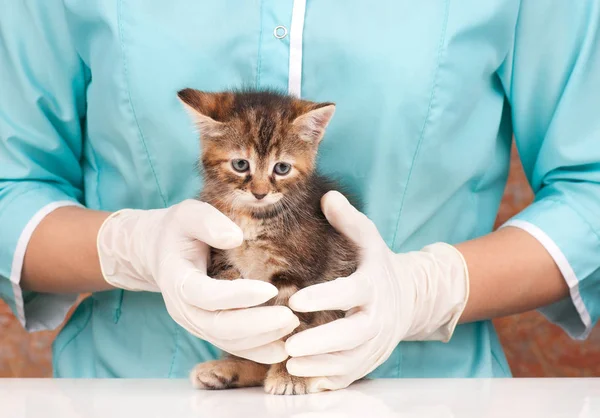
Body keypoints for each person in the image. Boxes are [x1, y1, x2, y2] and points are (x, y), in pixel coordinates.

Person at [1, 0, 598, 387]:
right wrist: (130, 246)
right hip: (129, 391)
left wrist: (427, 289)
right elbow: (11, 187)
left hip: (423, 392)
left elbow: (588, 190)